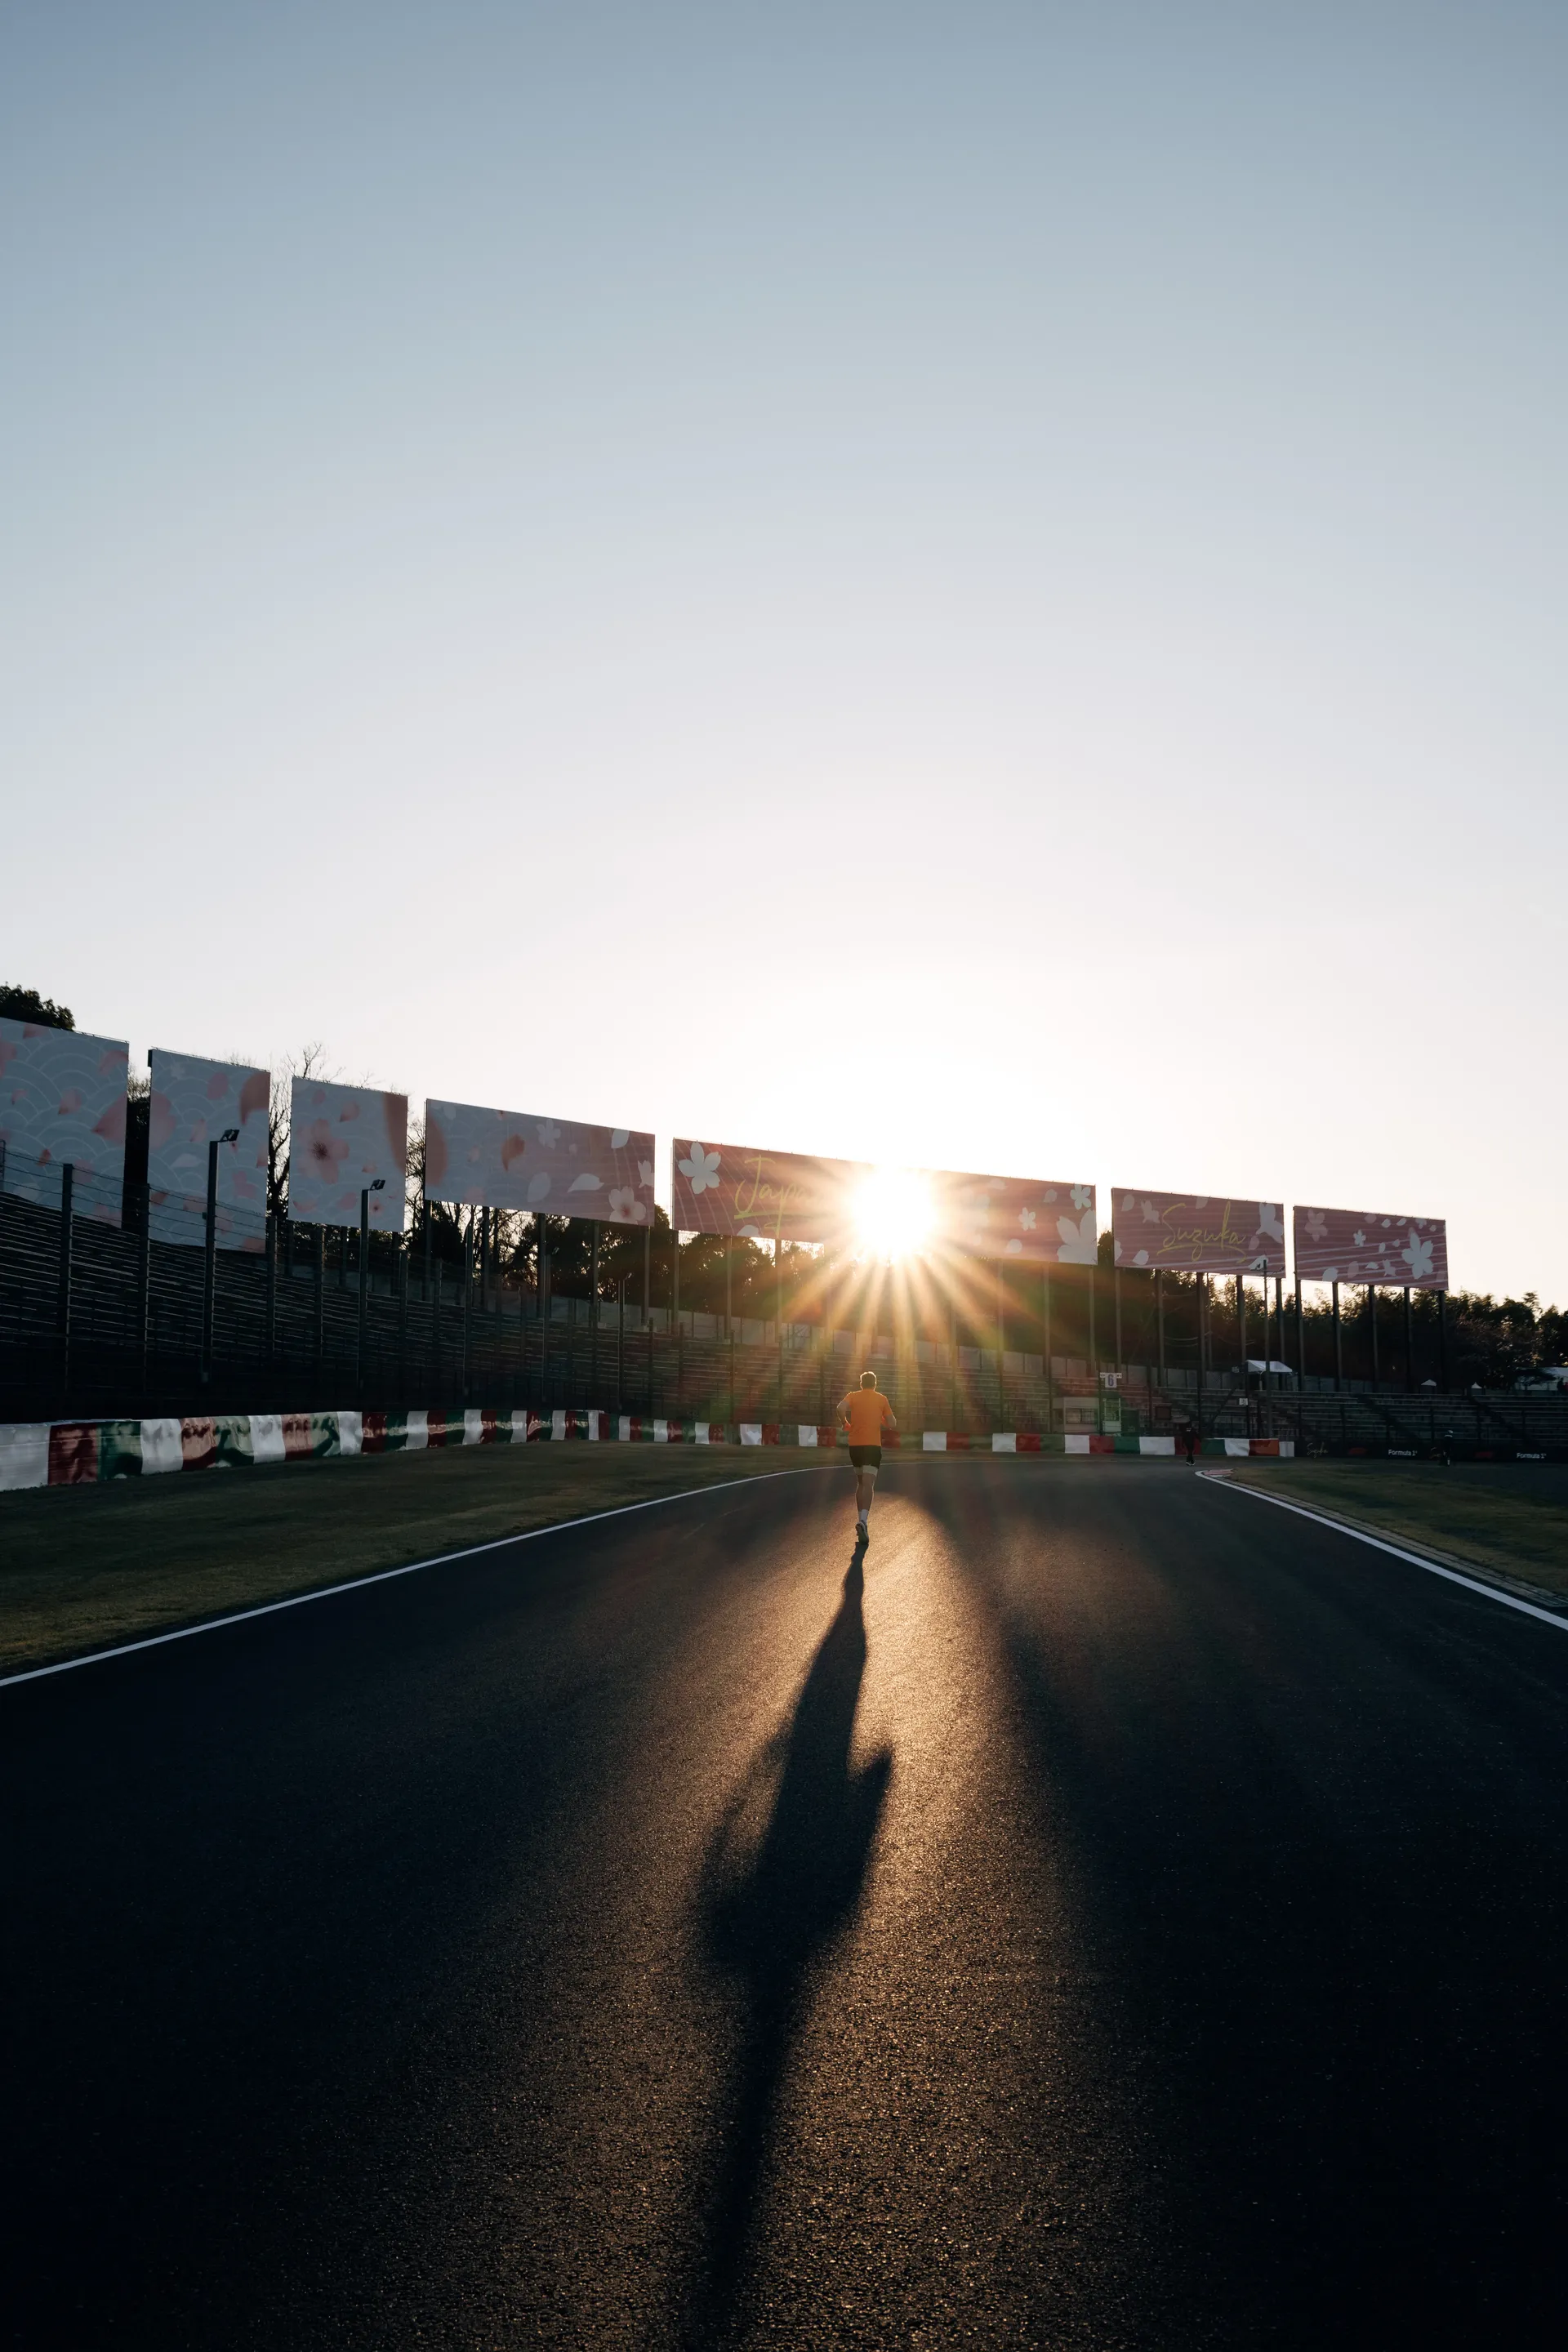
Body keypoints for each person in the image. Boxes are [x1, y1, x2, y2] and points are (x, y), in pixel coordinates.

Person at [837, 1370, 897, 1544]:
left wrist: (844, 1423)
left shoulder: (853, 1396)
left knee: (861, 1482)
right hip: (872, 1445)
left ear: (861, 1384)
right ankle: (863, 1520)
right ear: (875, 1384)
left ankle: (860, 1518)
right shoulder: (881, 1399)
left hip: (855, 1445)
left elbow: (840, 1408)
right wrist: (883, 1420)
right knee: (869, 1483)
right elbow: (893, 1423)